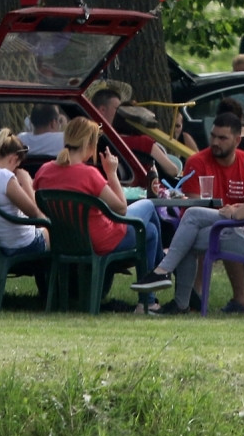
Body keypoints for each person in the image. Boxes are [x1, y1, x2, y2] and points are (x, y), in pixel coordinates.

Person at [130, 135, 244, 315]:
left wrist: (231, 211)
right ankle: (169, 280)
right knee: (190, 228)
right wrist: (239, 208)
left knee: (190, 225)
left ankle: (168, 280)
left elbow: (239, 216)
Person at [33, 118, 166, 313]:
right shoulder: (89, 174)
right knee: (148, 206)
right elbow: (121, 208)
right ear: (89, 145)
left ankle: (150, 298)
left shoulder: (44, 170)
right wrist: (111, 173)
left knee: (151, 231)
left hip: (63, 240)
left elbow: (40, 198)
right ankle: (158, 276)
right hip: (100, 240)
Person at [181, 111, 244, 313]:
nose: (215, 142)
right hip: (205, 223)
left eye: (222, 138)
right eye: (213, 136)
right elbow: (193, 205)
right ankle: (194, 297)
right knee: (215, 232)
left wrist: (235, 213)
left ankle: (241, 300)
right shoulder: (197, 161)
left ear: (237, 140)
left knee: (227, 232)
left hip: (242, 224)